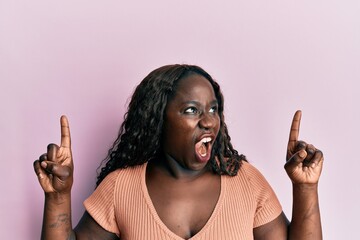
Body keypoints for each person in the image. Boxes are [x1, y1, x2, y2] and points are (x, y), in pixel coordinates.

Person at [33, 64, 324, 240]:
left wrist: (306, 187)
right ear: (159, 120)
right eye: (191, 110)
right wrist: (58, 197)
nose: (209, 120)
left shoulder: (246, 181)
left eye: (213, 108)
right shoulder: (120, 188)